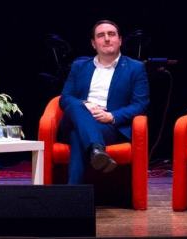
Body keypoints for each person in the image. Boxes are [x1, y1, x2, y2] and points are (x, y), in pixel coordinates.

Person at [58, 20, 149, 184]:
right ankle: (96, 148)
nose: (107, 39)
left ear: (120, 40)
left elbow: (140, 104)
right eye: (101, 35)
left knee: (77, 136)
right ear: (94, 43)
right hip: (75, 119)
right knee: (75, 104)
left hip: (107, 126)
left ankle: (74, 196)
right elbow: (65, 98)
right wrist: (85, 104)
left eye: (111, 34)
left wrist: (111, 116)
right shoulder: (79, 66)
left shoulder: (135, 68)